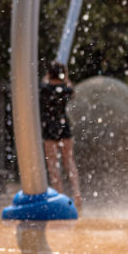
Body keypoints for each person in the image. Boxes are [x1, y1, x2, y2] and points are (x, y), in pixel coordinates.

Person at [40, 60, 82, 211]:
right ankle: (77, 193)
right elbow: (72, 90)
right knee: (69, 161)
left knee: (52, 163)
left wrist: (47, 78)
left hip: (49, 127)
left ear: (49, 73)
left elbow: (43, 84)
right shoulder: (65, 89)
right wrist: (66, 78)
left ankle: (59, 195)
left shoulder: (44, 89)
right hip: (64, 126)